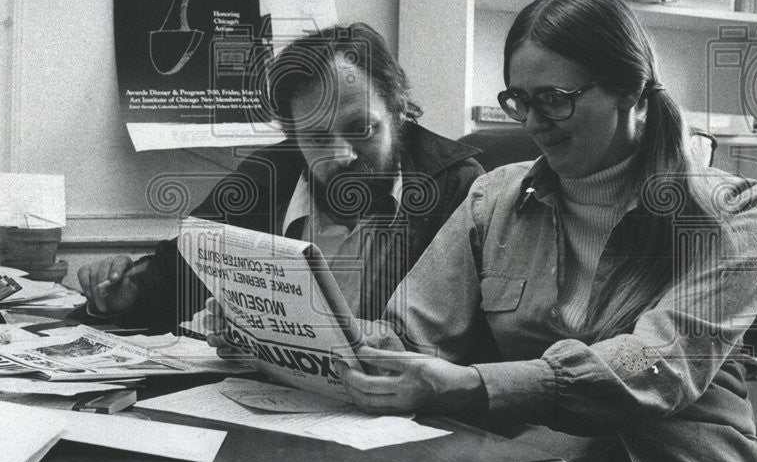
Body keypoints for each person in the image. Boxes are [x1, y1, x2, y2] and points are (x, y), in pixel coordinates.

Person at [323, 0, 757, 462]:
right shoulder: (494, 198)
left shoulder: (734, 210)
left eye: (556, 100)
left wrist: (471, 385)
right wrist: (303, 331)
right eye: (519, 101)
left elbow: (660, 367)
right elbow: (409, 335)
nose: (535, 123)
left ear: (630, 89)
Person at [77, 22, 483, 334]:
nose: (342, 154)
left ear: (398, 112)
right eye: (318, 137)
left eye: (361, 129)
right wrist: (127, 295)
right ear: (293, 136)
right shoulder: (265, 177)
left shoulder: (457, 190)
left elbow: (472, 344)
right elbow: (180, 273)